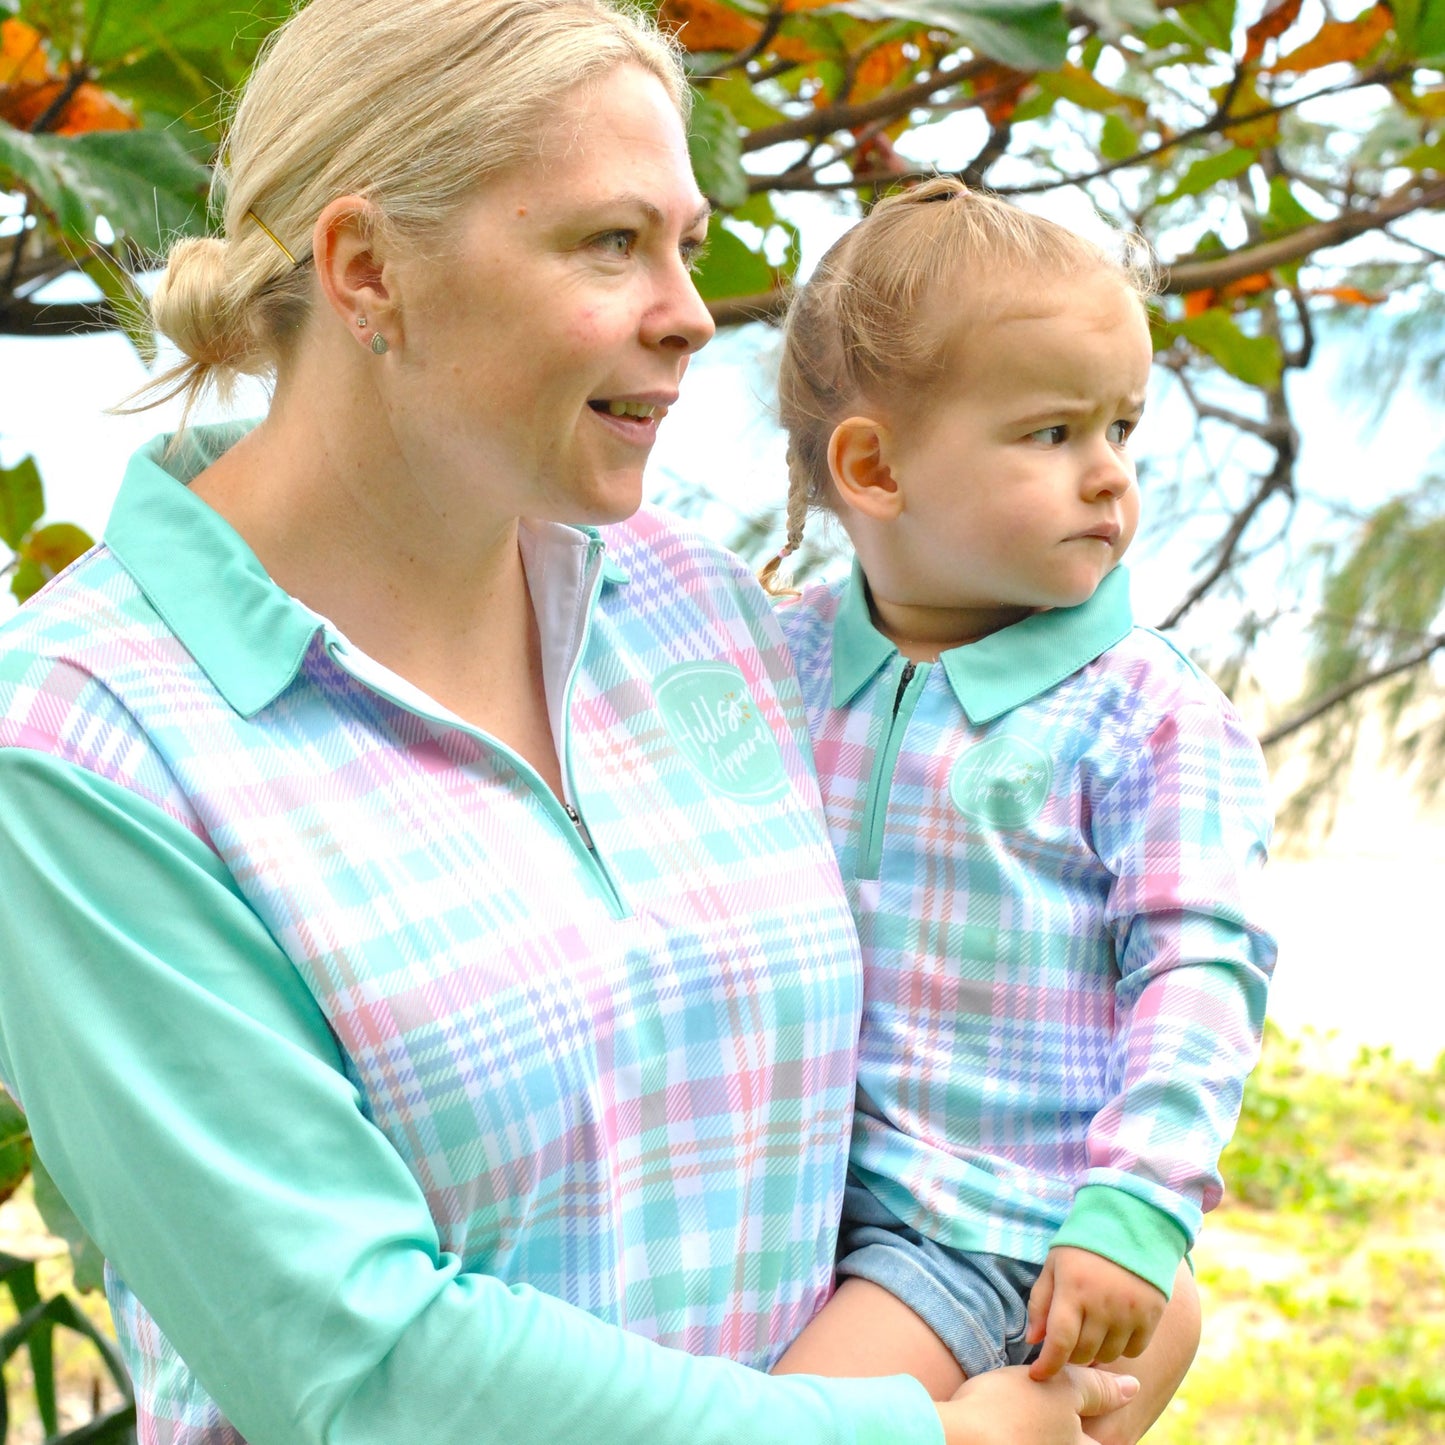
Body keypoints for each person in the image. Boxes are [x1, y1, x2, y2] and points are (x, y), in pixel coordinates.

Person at [0, 5, 1142, 1444]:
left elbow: (960, 1055)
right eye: (611, 243)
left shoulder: (695, 607)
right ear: (369, 273)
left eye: (684, 243)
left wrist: (1102, 1252)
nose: (689, 309)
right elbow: (364, 1370)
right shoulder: (89, 742)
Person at [765, 178, 1276, 1442]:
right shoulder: (777, 664)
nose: (1108, 477)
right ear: (873, 468)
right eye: (1052, 434)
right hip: (795, 1204)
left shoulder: (1146, 713)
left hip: (982, 1226)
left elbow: (1200, 968)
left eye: (1120, 428)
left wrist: (1134, 1212)